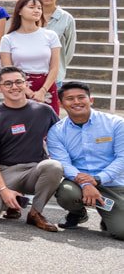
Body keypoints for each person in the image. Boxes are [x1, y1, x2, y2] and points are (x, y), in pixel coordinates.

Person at [0, 66, 63, 232]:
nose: (14, 87)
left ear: (25, 83)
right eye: (8, 84)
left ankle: (35, 213)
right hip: (5, 171)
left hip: (34, 171)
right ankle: (10, 200)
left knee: (54, 166)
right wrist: (3, 190)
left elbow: (63, 140)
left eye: (18, 82)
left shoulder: (44, 111)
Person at [49, 81, 124, 239]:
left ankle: (108, 217)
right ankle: (78, 213)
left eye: (81, 97)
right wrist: (85, 183)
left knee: (121, 231)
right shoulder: (56, 132)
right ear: (61, 104)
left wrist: (97, 179)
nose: (76, 102)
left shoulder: (116, 124)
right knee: (66, 193)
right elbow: (64, 163)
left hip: (114, 183)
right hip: (78, 183)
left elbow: (122, 158)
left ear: (91, 100)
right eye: (70, 99)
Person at [0, 0, 62, 114]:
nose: (37, 10)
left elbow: (54, 67)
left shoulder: (50, 35)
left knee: (49, 125)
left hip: (46, 86)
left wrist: (43, 91)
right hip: (17, 86)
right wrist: (27, 91)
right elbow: (7, 70)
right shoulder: (8, 39)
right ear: (19, 11)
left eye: (39, 8)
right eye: (31, 7)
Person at [35, 0, 77, 84]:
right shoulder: (29, 15)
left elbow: (68, 50)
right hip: (29, 74)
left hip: (55, 77)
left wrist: (58, 67)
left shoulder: (66, 18)